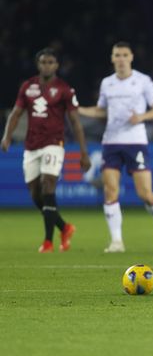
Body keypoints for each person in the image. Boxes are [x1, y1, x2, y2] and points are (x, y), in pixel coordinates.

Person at [78, 41, 153, 253]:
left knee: (145, 194)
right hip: (110, 142)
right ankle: (116, 241)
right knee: (110, 191)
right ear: (112, 58)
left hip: (136, 142)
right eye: (117, 55)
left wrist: (142, 116)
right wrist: (81, 110)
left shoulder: (143, 81)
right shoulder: (107, 83)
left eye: (124, 55)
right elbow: (102, 111)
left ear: (131, 57)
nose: (120, 58)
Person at [1, 48, 91, 252]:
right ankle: (64, 227)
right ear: (38, 64)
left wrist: (83, 152)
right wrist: (7, 137)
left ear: (57, 65)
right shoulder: (28, 86)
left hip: (54, 143)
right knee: (35, 194)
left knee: (48, 184)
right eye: (43, 62)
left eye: (51, 62)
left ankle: (48, 241)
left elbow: (75, 122)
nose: (47, 65)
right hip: (31, 145)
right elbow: (16, 114)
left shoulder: (64, 89)